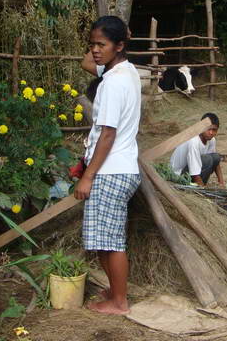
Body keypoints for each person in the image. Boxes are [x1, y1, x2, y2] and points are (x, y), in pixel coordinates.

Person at [76, 16, 141, 315]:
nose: (95, 51)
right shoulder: (125, 71)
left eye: (102, 44)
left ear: (120, 45)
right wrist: (111, 35)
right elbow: (86, 63)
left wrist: (87, 176)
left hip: (110, 170)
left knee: (111, 242)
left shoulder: (113, 84)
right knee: (105, 238)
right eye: (92, 44)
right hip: (118, 166)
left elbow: (107, 133)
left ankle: (119, 302)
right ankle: (115, 291)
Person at [169, 113, 225, 187]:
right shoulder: (193, 141)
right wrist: (203, 189)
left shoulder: (211, 140)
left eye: (214, 130)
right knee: (207, 159)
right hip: (178, 175)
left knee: (216, 157)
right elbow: (194, 171)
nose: (211, 133)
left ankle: (200, 184)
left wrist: (221, 182)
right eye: (208, 129)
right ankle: (198, 186)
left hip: (191, 170)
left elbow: (216, 161)